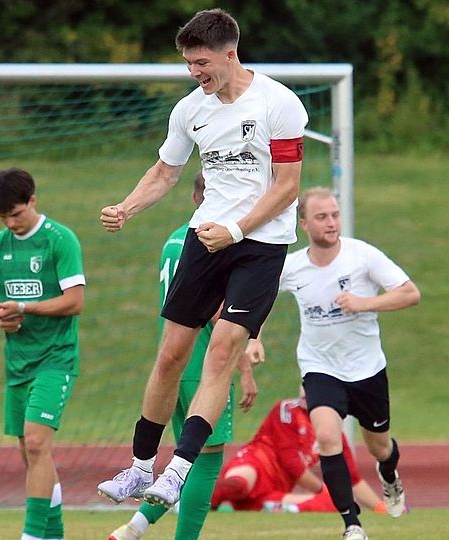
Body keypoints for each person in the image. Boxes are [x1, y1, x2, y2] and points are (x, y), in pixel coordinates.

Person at [96, 7, 308, 509]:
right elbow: (166, 172)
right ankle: (140, 466)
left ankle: (178, 470)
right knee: (171, 355)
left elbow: (288, 187)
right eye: (189, 64)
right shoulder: (190, 109)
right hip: (205, 238)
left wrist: (235, 229)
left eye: (201, 63)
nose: (195, 72)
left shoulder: (278, 103)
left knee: (222, 353)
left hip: (259, 245)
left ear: (229, 54)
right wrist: (126, 207)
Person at [266, 187, 420, 540]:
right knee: (326, 436)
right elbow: (258, 297)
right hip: (320, 368)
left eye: (334, 214)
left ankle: (390, 477)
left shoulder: (361, 256)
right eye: (322, 217)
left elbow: (410, 293)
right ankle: (352, 525)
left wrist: (365, 303)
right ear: (304, 223)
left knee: (380, 447)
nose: (331, 222)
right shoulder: (292, 266)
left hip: (367, 370)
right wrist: (253, 338)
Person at [109, 171, 256, 540]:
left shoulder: (175, 240)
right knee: (206, 459)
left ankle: (133, 528)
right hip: (205, 364)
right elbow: (221, 313)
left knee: (180, 465)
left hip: (171, 365)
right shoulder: (217, 244)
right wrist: (245, 366)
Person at [0, 168, 85, 540]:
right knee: (31, 454)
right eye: (3, 217)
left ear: (32, 202)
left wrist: (24, 308)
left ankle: (31, 536)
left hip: (55, 359)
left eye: (16, 214)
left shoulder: (60, 240)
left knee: (39, 442)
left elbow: (75, 302)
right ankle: (54, 534)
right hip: (17, 362)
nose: (10, 223)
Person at [209, 393, 385, 515]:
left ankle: (267, 507)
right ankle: (190, 503)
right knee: (240, 484)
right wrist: (322, 490)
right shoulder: (287, 410)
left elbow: (352, 477)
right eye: (304, 383)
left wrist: (379, 507)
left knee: (335, 504)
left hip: (275, 491)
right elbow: (292, 464)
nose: (305, 389)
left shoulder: (333, 432)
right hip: (256, 464)